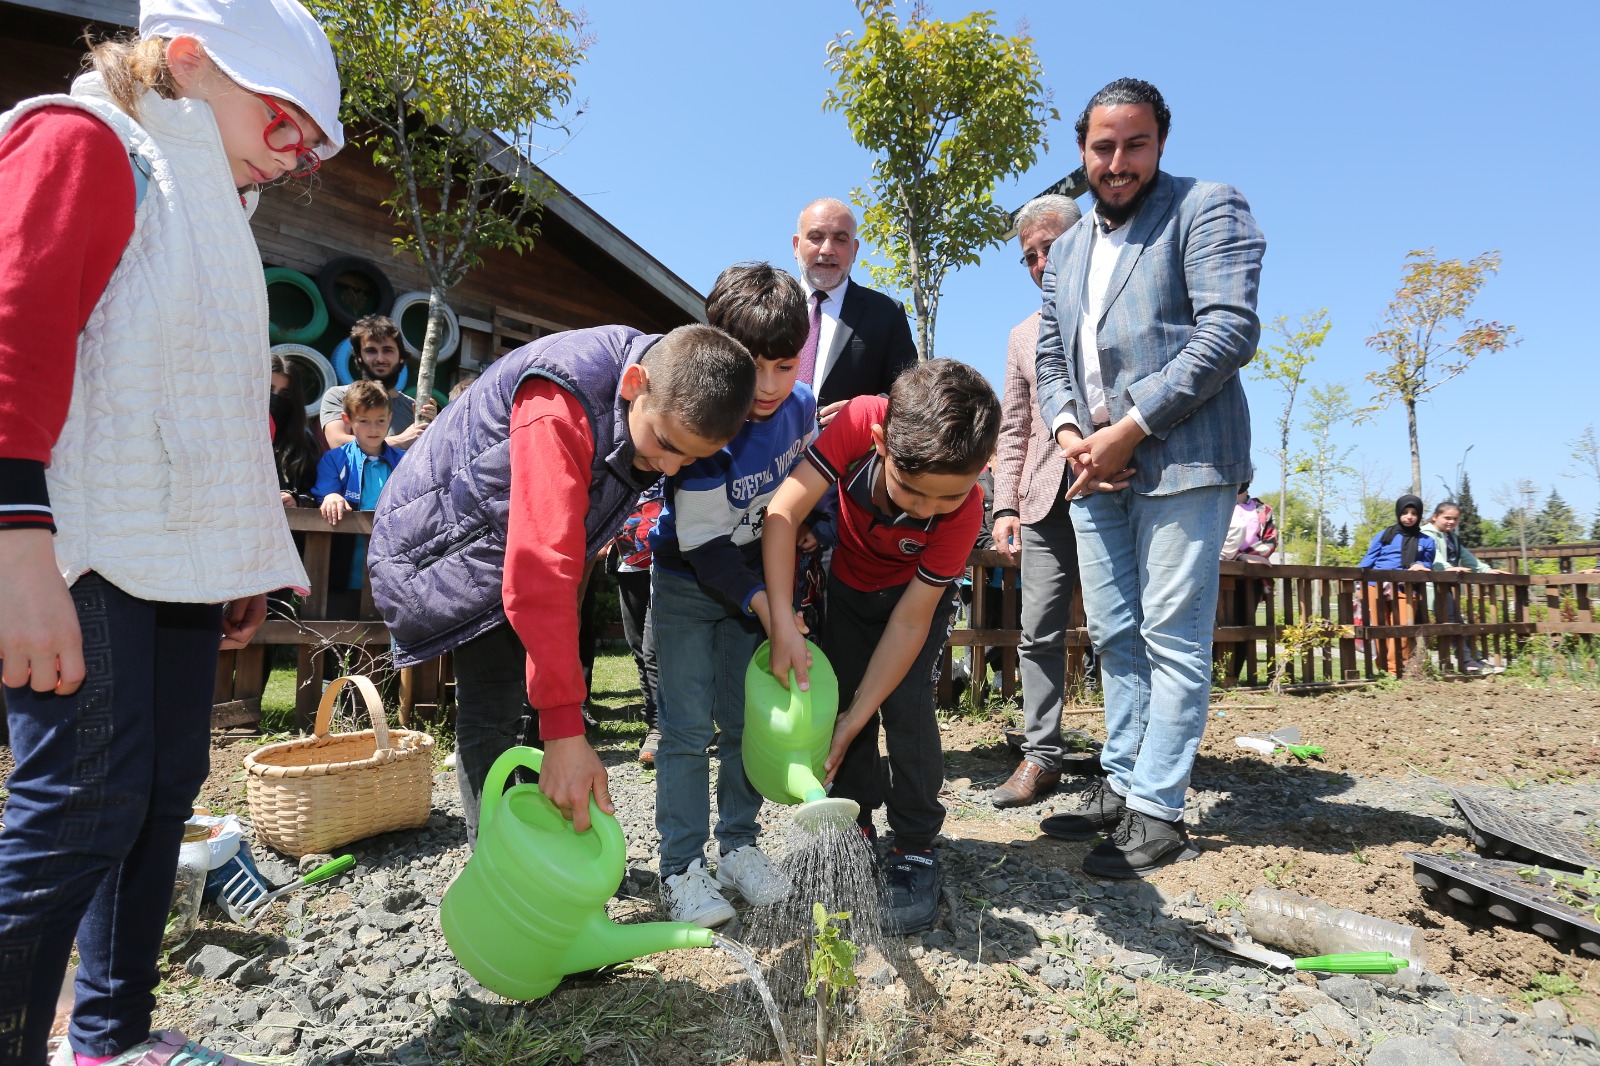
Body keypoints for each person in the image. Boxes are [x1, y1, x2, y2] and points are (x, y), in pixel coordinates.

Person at [0, 1, 344, 1063]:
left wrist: (235, 550)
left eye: (314, 146)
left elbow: (210, 394)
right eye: (286, 122)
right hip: (76, 540)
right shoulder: (88, 141)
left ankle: (106, 1039)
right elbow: (14, 325)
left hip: (173, 556)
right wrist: (14, 544)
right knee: (77, 807)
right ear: (189, 59)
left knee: (156, 795)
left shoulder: (214, 210)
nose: (296, 156)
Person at [368, 323, 755, 846]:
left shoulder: (664, 377)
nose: (669, 467)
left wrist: (561, 728)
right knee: (496, 704)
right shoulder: (560, 399)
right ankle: (503, 871)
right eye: (665, 446)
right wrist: (565, 728)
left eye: (688, 459)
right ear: (634, 384)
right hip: (445, 546)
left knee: (536, 711)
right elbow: (539, 571)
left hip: (496, 535)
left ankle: (543, 850)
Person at [1033, 78, 1266, 879]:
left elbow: (1229, 331)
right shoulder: (1065, 247)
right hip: (1094, 468)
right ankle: (1123, 781)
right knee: (1115, 634)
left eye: (1134, 144)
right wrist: (1073, 435)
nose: (1118, 162)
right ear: (1082, 152)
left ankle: (1160, 810)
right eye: (1103, 147)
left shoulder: (1206, 207)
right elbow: (1051, 357)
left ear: (1160, 141)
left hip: (1183, 457)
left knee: (1171, 634)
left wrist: (1129, 427)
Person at [762, 359, 1001, 935]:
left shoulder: (964, 510)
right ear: (879, 444)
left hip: (912, 604)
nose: (923, 510)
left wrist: (856, 718)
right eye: (911, 490)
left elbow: (909, 625)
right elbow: (782, 512)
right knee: (843, 699)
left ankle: (916, 844)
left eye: (945, 499)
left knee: (907, 711)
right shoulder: (861, 421)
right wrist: (782, 624)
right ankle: (854, 826)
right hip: (845, 587)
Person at [651, 263, 814, 927]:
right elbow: (706, 546)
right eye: (755, 366)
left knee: (746, 727)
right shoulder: (709, 424)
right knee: (687, 730)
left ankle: (740, 847)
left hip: (760, 590)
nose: (770, 387)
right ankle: (682, 867)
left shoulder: (802, 410)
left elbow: (806, 503)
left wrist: (802, 557)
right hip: (693, 583)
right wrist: (772, 612)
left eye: (785, 364)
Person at [989, 193, 1085, 808]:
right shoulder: (1022, 336)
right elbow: (1014, 427)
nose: (1042, 263)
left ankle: (1142, 766)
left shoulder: (1116, 313)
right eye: (1030, 256)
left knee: (1121, 628)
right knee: (1037, 631)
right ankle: (1041, 754)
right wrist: (1004, 507)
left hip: (1113, 488)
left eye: (1051, 248)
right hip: (1044, 501)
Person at [791, 198, 918, 424]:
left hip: (848, 455)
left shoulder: (886, 314)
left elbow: (910, 395)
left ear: (855, 249)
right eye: (816, 237)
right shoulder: (765, 303)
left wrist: (866, 412)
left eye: (840, 239)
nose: (827, 249)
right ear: (796, 246)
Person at [312, 379, 405, 591]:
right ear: (348, 420)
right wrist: (330, 496)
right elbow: (324, 492)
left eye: (380, 421)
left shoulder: (405, 460)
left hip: (393, 561)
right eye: (363, 421)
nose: (373, 429)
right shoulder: (334, 459)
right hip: (343, 562)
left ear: (390, 418)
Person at [319, 314, 434, 451]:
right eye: (371, 351)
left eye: (387, 350)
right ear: (359, 357)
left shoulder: (413, 408)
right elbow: (338, 443)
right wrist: (400, 441)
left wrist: (433, 427)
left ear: (401, 357)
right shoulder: (339, 396)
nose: (380, 358)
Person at [609, 484, 665, 762]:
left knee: (653, 648)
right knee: (639, 649)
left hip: (666, 561)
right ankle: (655, 723)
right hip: (628, 560)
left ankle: (658, 728)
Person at [1421, 500, 1507, 674]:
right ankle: (1467, 660)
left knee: (1457, 622)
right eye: (1447, 518)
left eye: (1455, 519)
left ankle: (1473, 659)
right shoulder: (1426, 534)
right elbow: (1433, 557)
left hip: (1447, 586)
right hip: (1432, 586)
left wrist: (1487, 570)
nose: (1451, 522)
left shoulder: (1452, 537)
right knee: (1452, 623)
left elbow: (1469, 560)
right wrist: (1446, 567)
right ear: (1435, 517)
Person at [269, 353, 320, 506]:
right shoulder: (232, 434)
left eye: (284, 394)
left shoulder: (304, 445)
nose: (275, 398)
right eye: (269, 389)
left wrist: (296, 500)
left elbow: (314, 494)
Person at [1220, 483, 1277, 564]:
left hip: (1254, 569)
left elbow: (1270, 540)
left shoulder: (1264, 510)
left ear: (1251, 477)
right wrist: (1239, 556)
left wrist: (1250, 557)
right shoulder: (1216, 506)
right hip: (1221, 567)